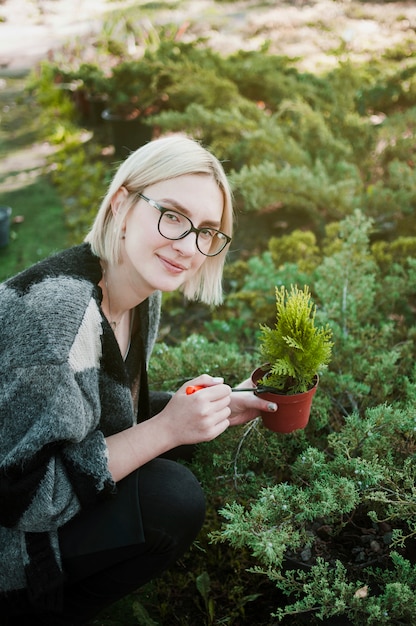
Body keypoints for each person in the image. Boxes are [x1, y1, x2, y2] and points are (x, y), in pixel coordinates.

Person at [0, 134, 277, 625]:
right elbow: (25, 499)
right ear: (123, 204)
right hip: (10, 532)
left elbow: (91, 416)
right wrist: (166, 429)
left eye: (206, 230)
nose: (188, 246)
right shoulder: (58, 318)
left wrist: (206, 407)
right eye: (171, 215)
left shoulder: (138, 291)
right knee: (171, 499)